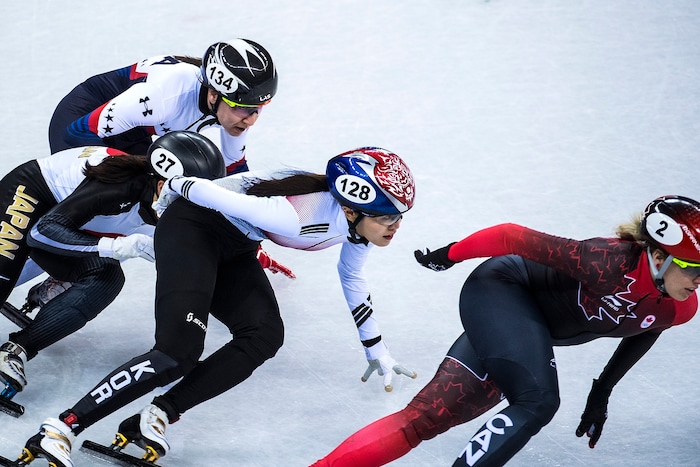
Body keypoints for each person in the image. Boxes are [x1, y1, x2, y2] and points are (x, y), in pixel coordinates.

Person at [12, 147, 418, 467]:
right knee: (176, 353)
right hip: (192, 228)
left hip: (235, 245)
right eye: (387, 216)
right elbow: (204, 190)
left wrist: (376, 347)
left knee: (264, 334)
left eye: (399, 215)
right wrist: (171, 188)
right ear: (351, 208)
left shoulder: (355, 229)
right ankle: (61, 428)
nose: (395, 224)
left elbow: (352, 278)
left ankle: (157, 414)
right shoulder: (294, 216)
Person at [311, 195, 700, 467]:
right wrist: (447, 255)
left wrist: (603, 389)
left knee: (425, 419)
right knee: (538, 401)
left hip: (523, 330)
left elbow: (649, 325)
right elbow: (510, 235)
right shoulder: (606, 261)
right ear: (660, 256)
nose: (698, 281)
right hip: (501, 290)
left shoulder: (682, 306)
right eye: (694, 268)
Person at [0, 131, 225, 407]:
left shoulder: (174, 206)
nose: (192, 204)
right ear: (162, 183)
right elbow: (42, 233)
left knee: (107, 276)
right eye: (186, 193)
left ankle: (16, 350)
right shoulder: (122, 185)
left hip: (71, 223)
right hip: (34, 196)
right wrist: (117, 247)